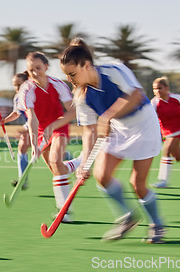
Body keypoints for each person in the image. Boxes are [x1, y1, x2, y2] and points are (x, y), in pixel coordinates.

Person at [60, 38, 165, 243]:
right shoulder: (82, 97)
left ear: (86, 65)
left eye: (72, 74)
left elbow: (135, 94)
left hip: (143, 125)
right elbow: (89, 131)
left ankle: (157, 225)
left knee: (138, 184)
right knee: (102, 175)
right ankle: (127, 217)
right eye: (66, 75)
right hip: (117, 129)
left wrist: (107, 117)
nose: (70, 79)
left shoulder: (114, 70)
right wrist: (85, 162)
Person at [20, 51, 81, 222]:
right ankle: (77, 163)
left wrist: (54, 125)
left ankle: (64, 211)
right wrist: (34, 145)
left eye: (38, 68)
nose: (35, 73)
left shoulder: (58, 84)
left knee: (56, 161)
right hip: (40, 131)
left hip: (59, 126)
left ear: (46, 67)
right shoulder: (27, 89)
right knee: (57, 169)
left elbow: (72, 111)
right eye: (31, 70)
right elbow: (31, 118)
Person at [0, 72, 31, 189]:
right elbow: (17, 113)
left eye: (19, 85)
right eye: (14, 85)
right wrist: (4, 120)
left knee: (53, 152)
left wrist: (26, 131)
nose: (17, 88)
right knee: (22, 148)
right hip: (29, 125)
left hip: (43, 124)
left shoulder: (32, 95)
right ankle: (23, 180)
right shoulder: (17, 98)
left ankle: (74, 162)